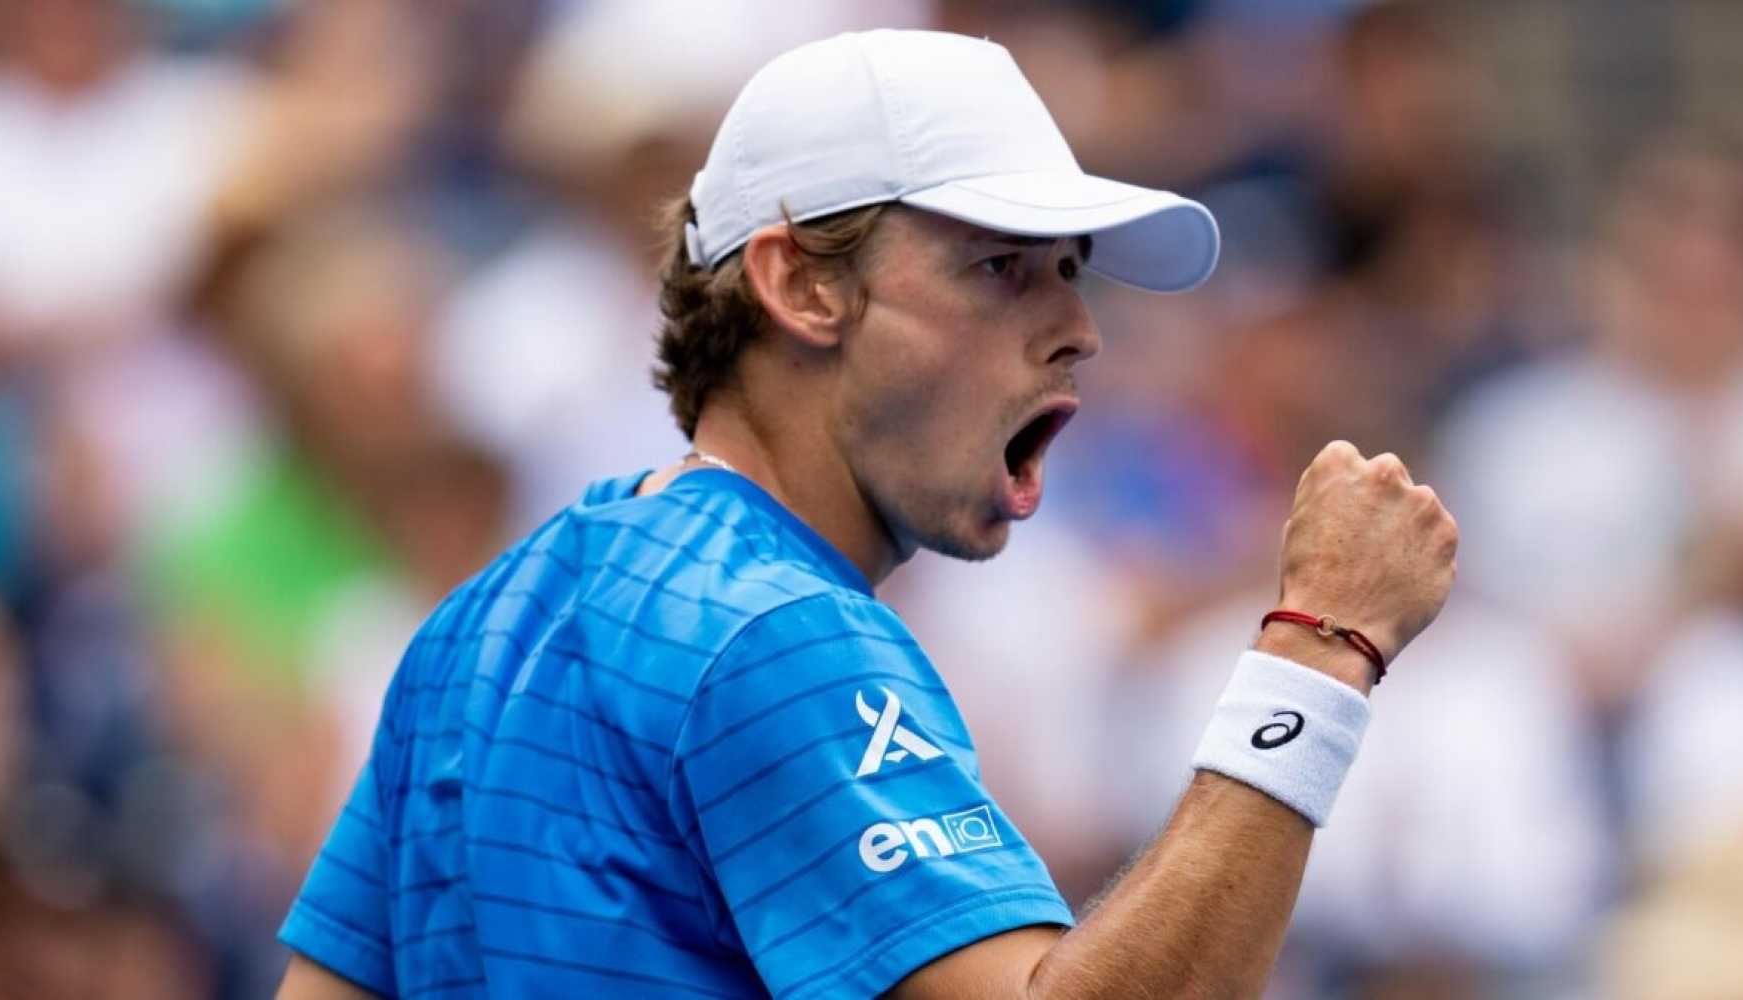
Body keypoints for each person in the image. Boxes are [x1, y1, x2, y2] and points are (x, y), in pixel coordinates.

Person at [274, 29, 1456, 999]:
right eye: (1000, 267)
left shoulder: (479, 620)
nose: (1079, 327)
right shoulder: (774, 631)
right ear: (801, 282)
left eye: (1069, 269)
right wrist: (1319, 649)